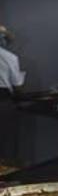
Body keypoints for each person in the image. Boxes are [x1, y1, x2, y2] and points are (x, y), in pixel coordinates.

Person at [0, 25, 25, 160]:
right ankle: (8, 178)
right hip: (3, 101)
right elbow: (17, 85)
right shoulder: (9, 57)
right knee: (7, 142)